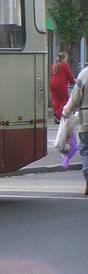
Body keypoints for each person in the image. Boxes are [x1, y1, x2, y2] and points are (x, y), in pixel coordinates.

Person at [61, 63, 88, 195]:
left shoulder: (85, 74)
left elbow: (75, 99)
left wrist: (66, 112)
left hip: (86, 122)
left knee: (86, 150)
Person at [50, 51, 76, 122]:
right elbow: (69, 75)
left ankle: (56, 119)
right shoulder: (64, 65)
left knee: (56, 101)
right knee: (65, 100)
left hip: (52, 83)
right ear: (64, 58)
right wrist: (73, 81)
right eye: (66, 58)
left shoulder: (54, 64)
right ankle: (58, 114)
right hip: (60, 84)